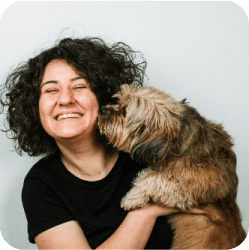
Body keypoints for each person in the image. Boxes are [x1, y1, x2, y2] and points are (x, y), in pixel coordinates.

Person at [0, 37, 204, 250]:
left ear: (103, 97)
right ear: (34, 108)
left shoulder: (151, 150)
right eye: (51, 90)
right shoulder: (40, 185)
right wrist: (146, 211)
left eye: (79, 86)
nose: (65, 99)